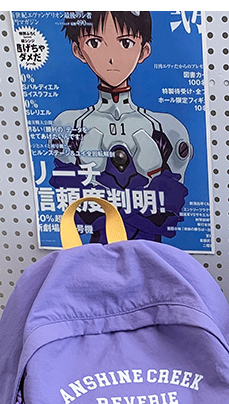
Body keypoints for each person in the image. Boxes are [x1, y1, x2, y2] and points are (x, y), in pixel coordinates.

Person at [49, 11, 193, 242]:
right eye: (95, 43)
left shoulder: (168, 128)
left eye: (125, 43)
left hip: (151, 248)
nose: (111, 58)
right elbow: (72, 203)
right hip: (97, 249)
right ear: (78, 50)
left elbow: (171, 208)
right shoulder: (68, 125)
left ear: (144, 50)